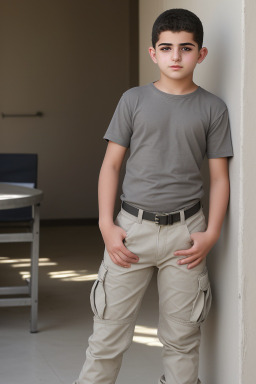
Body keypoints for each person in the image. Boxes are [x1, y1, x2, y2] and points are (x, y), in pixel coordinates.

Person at [73, 8, 233, 384]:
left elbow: (220, 178)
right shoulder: (132, 100)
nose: (176, 57)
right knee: (107, 338)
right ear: (153, 53)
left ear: (201, 54)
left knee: (182, 340)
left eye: (186, 48)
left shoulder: (213, 108)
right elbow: (111, 165)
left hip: (186, 235)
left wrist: (211, 234)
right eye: (167, 48)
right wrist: (105, 224)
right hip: (130, 231)